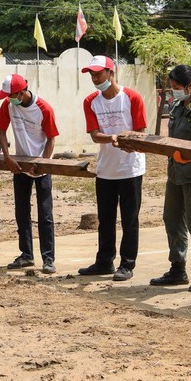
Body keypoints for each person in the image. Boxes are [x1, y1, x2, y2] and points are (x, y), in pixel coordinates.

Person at [78, 56, 147, 281]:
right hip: (106, 169)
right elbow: (95, 135)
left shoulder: (132, 97)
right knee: (105, 218)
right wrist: (114, 137)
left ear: (111, 72)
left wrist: (129, 142)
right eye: (91, 74)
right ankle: (104, 261)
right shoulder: (91, 101)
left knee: (130, 219)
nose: (94, 78)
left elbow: (140, 132)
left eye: (98, 73)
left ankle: (127, 263)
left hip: (130, 168)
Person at [150, 66, 191, 291]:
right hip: (176, 175)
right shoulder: (178, 107)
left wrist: (186, 157)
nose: (173, 91)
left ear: (190, 87)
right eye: (171, 87)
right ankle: (177, 268)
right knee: (172, 220)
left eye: (176, 87)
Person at [0, 74, 60, 274]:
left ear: (22, 92)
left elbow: (51, 139)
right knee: (21, 212)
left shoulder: (43, 109)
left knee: (45, 214)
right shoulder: (8, 105)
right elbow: (2, 131)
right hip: (19, 164)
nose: (8, 98)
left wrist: (43, 164)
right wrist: (7, 157)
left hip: (40, 166)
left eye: (11, 95)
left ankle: (48, 258)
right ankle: (26, 255)